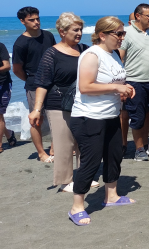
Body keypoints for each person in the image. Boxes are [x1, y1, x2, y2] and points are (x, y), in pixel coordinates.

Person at [68, 16, 136, 226]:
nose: (122, 37)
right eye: (119, 33)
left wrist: (125, 90)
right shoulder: (91, 55)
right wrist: (117, 88)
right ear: (102, 35)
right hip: (89, 116)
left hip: (110, 114)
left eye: (123, 33)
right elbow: (85, 86)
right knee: (91, 160)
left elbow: (113, 80)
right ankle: (77, 206)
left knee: (115, 154)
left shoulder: (113, 54)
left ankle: (112, 196)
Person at [29, 13, 100, 192]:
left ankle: (84, 176)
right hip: (58, 104)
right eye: (75, 30)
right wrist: (37, 109)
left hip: (83, 102)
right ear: (62, 31)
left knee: (84, 141)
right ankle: (66, 180)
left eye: (80, 29)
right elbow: (42, 83)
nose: (79, 33)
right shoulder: (51, 53)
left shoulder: (85, 49)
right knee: (64, 143)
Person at [119, 4, 149, 161]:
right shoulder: (126, 33)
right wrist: (121, 84)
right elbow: (119, 58)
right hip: (134, 81)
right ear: (138, 16)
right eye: (148, 16)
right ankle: (139, 149)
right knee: (137, 117)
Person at [13, 6, 56, 162]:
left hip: (54, 82)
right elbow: (17, 69)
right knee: (37, 120)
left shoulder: (48, 36)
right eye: (32, 20)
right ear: (22, 21)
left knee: (57, 118)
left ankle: (53, 148)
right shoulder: (20, 43)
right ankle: (41, 153)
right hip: (34, 84)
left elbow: (56, 55)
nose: (36, 22)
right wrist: (32, 80)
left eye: (37, 18)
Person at [0, 41, 16, 153]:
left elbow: (7, 66)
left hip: (2, 84)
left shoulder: (0, 46)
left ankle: (0, 145)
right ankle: (9, 134)